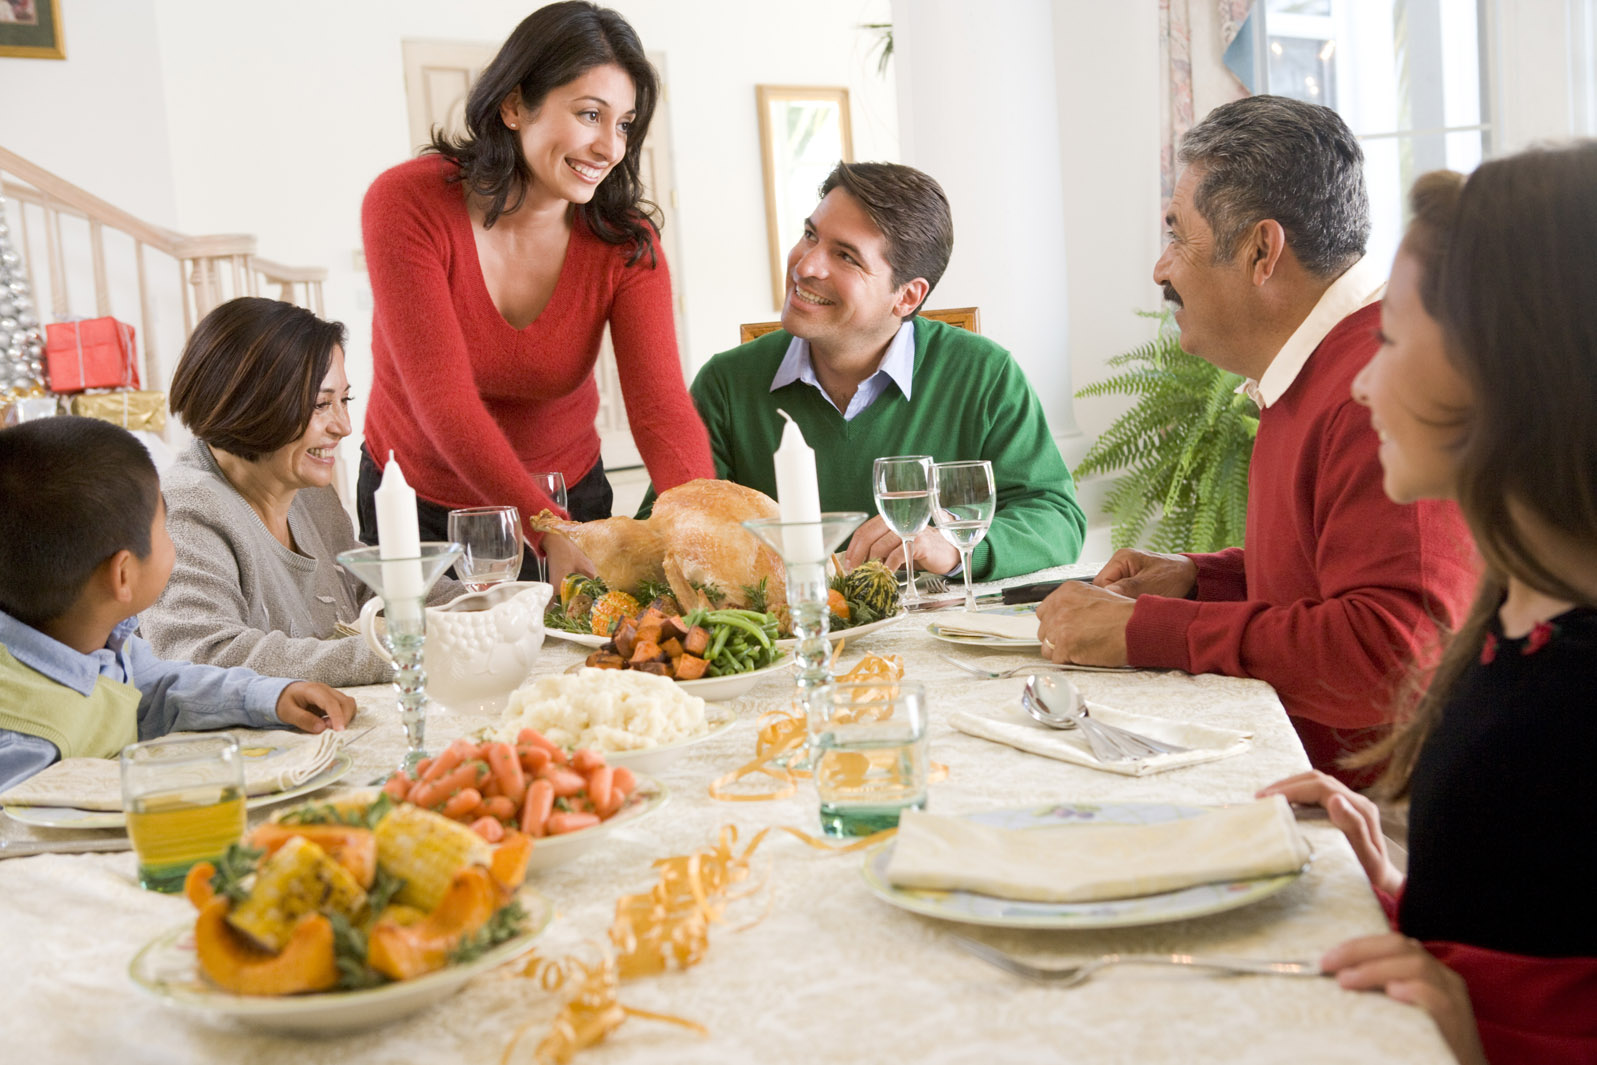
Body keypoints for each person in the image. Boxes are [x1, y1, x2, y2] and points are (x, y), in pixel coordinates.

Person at [1261, 146, 1597, 1065]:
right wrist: (1399, 892)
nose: (1365, 381)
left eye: (1392, 340)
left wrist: (1473, 1043)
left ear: (1503, 366)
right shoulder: (1513, 620)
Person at [1036, 96, 1475, 781]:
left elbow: (1392, 655)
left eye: (1176, 234)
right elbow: (1325, 570)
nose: (1159, 268)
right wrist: (1199, 580)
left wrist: (1145, 631)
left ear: (1260, 251)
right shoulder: (1318, 366)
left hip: (1382, 824)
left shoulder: (1376, 389)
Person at [358, 0, 713, 584]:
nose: (609, 147)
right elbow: (441, 401)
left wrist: (701, 530)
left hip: (570, 499)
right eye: (589, 114)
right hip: (419, 508)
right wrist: (540, 524)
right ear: (515, 104)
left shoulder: (625, 242)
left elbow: (662, 411)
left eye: (623, 123)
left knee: (582, 672)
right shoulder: (406, 204)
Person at [646, 160, 1085, 581]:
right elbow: (661, 525)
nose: (806, 265)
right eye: (810, 235)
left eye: (846, 257)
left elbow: (1055, 516)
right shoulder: (727, 383)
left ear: (907, 298)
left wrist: (950, 544)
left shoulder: (985, 375)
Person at [0, 417, 356, 792]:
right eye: (163, 526)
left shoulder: (101, 639)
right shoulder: (23, 740)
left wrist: (270, 696)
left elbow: (161, 687)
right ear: (123, 575)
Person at [140, 297, 455, 687]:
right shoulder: (185, 509)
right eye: (322, 404)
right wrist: (400, 650)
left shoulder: (306, 491)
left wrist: (485, 608)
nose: (343, 426)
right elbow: (204, 656)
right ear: (252, 402)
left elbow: (364, 588)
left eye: (345, 400)